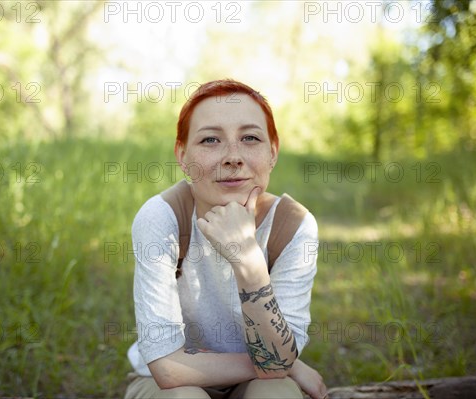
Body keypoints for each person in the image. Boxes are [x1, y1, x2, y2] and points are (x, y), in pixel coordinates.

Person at [124, 79, 328, 399]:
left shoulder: (293, 227)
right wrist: (286, 364)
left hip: (260, 382)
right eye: (210, 140)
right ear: (182, 155)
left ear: (272, 152)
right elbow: (166, 367)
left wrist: (247, 261)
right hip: (176, 384)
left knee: (276, 395)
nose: (233, 156)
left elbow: (274, 367)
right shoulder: (161, 218)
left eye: (250, 138)